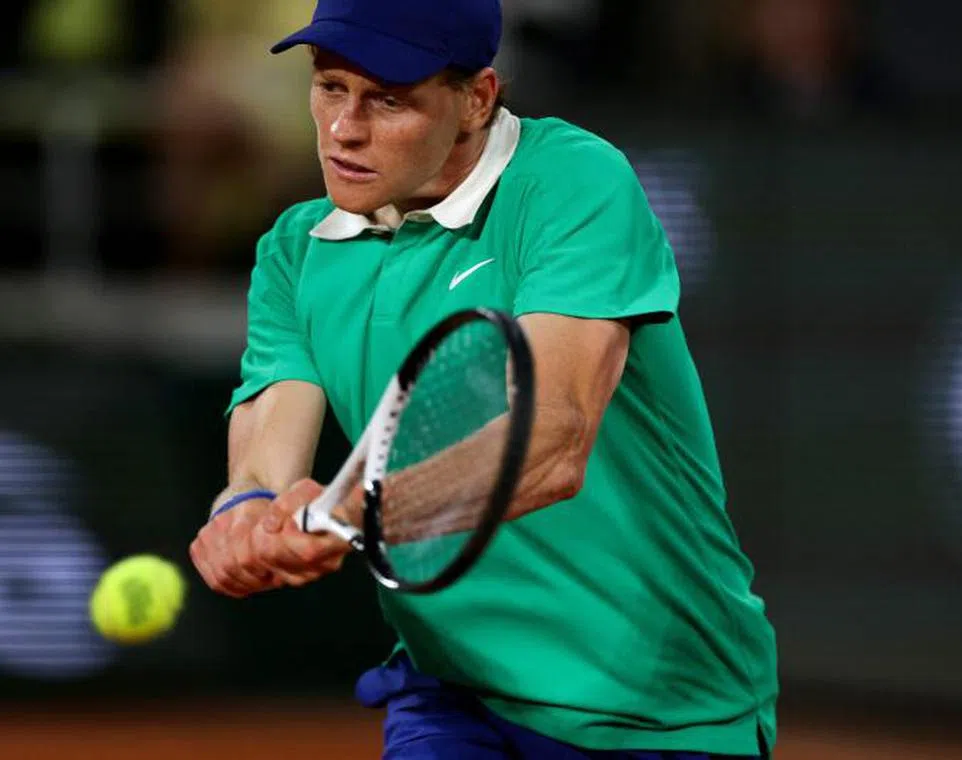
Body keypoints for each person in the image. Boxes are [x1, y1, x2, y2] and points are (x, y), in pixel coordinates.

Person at [187, 1, 777, 758]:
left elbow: (552, 441)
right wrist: (245, 517)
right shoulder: (297, 250)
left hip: (662, 706)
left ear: (477, 99)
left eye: (388, 100)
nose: (344, 129)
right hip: (452, 693)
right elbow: (267, 458)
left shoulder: (571, 183)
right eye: (329, 87)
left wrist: (348, 517)